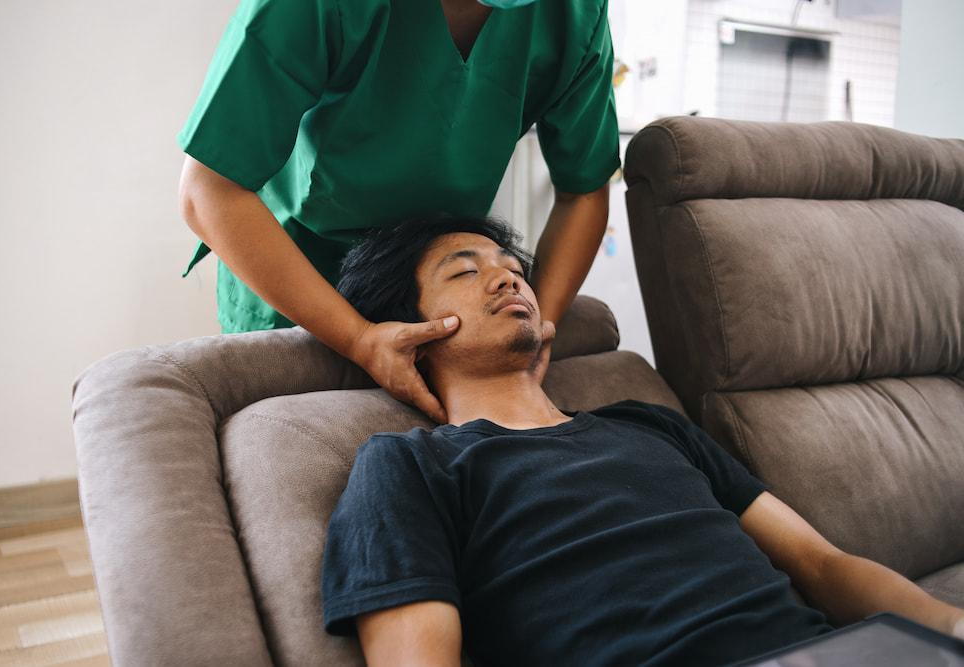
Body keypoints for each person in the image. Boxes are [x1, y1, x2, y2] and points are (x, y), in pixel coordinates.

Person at [319, 215, 964, 666]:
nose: (508, 279)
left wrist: (951, 628)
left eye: (514, 268)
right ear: (407, 329)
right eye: (465, 271)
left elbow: (822, 564)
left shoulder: (649, 423)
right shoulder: (409, 467)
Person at [175, 0, 620, 424]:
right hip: (298, 271)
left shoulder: (574, 13)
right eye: (467, 272)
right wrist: (358, 338)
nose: (508, 280)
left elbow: (583, 190)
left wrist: (538, 328)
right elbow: (209, 190)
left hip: (431, 288)